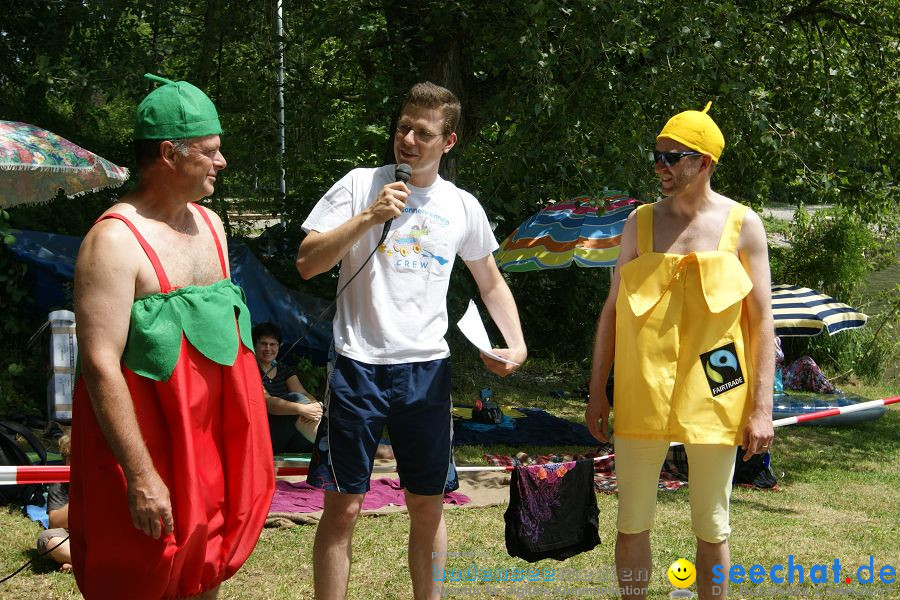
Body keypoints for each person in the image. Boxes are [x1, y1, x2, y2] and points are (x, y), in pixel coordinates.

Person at [296, 81, 527, 600]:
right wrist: (368, 217)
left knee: (427, 503)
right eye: (403, 126)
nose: (408, 140)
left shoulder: (461, 205)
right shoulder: (360, 185)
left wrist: (516, 344)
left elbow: (490, 280)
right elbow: (308, 263)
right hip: (356, 365)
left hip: (425, 372)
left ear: (448, 142)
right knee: (344, 505)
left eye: (424, 133)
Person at [69, 73, 275, 600]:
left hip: (210, 445)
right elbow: (99, 365)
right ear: (168, 153)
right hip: (150, 450)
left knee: (206, 567)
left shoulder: (211, 226)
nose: (221, 162)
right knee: (145, 573)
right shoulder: (113, 242)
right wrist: (141, 476)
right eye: (209, 151)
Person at [585, 102, 774, 600]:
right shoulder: (638, 224)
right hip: (640, 388)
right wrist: (596, 392)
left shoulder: (744, 225)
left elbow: (761, 322)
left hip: (717, 388)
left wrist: (761, 409)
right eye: (657, 155)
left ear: (705, 162)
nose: (660, 167)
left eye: (673, 157)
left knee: (712, 524)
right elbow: (611, 312)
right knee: (632, 521)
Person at [252, 321, 324, 453]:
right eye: (263, 344)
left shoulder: (284, 369)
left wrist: (314, 405)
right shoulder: (251, 370)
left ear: (279, 347)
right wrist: (302, 409)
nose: (268, 348)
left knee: (311, 405)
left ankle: (329, 445)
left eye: (273, 344)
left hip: (288, 437)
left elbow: (303, 393)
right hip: (265, 435)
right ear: (254, 346)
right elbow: (268, 403)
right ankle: (331, 446)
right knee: (295, 399)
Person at [36, 434, 72, 572]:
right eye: (71, 457)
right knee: (47, 540)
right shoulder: (60, 480)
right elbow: (55, 521)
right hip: (71, 536)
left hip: (102, 534)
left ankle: (81, 563)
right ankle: (88, 563)